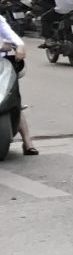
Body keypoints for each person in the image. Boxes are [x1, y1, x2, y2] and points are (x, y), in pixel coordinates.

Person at [0, 8, 34, 154]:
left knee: (13, 98)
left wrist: (19, 45)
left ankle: (27, 142)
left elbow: (10, 34)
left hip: (1, 66)